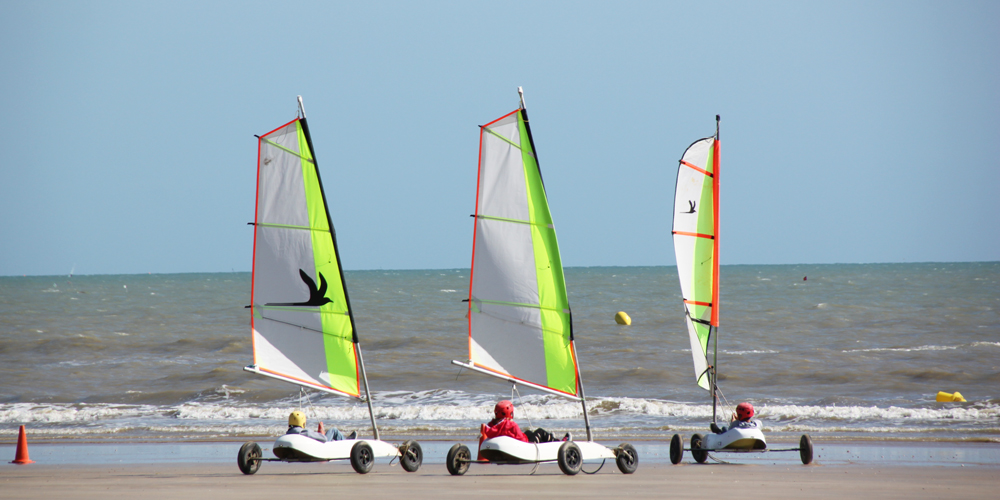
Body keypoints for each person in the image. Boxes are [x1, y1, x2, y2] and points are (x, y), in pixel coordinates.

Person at [482, 400, 568, 443]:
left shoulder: (491, 425)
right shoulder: (511, 425)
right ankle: (559, 442)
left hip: (511, 441)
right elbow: (522, 439)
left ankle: (550, 438)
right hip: (526, 445)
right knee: (540, 432)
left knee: (528, 432)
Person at [285, 411, 356, 442]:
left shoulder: (288, 434)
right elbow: (324, 439)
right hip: (319, 447)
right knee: (333, 430)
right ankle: (345, 441)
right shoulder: (305, 432)